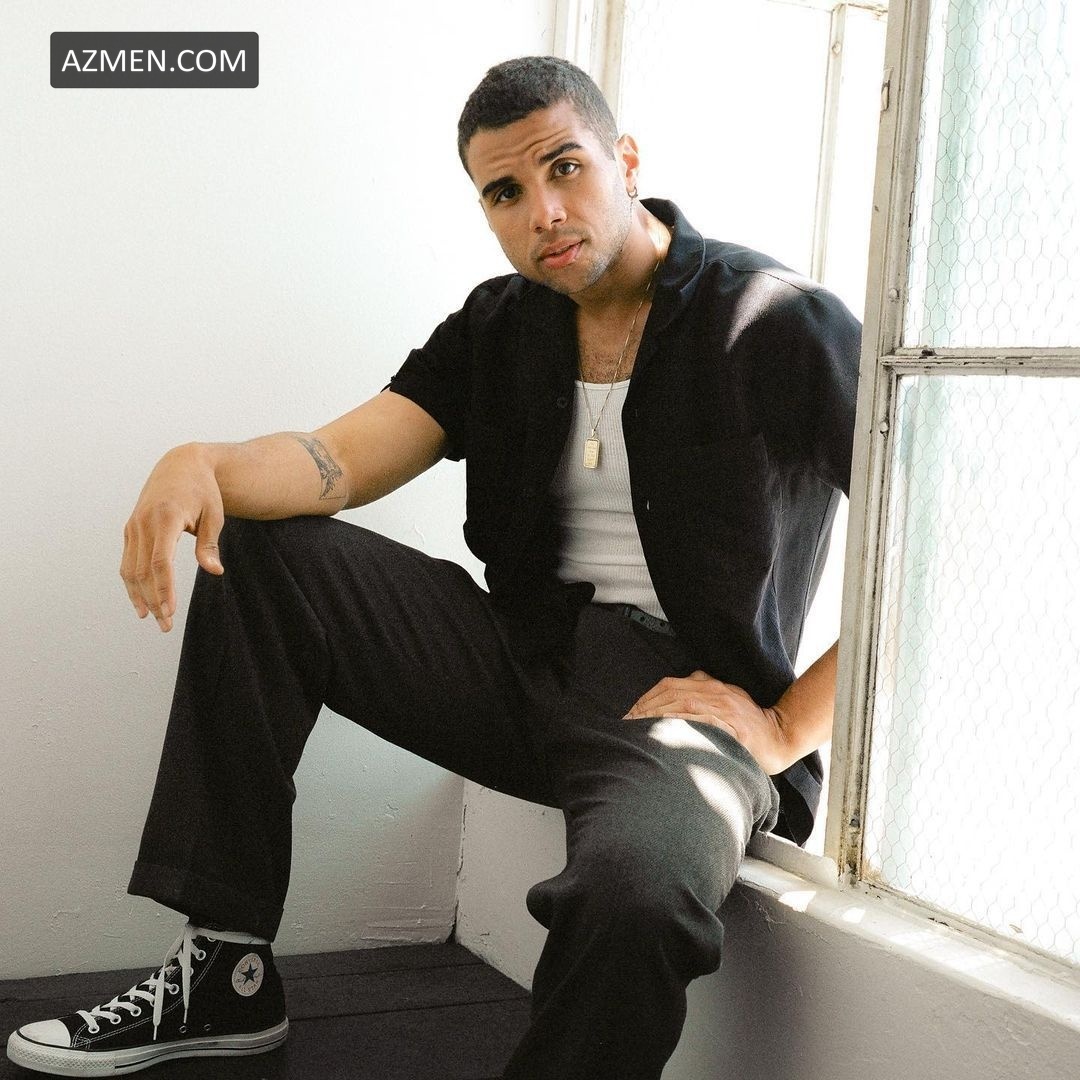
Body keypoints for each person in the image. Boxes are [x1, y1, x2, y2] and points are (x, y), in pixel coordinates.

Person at [6, 55, 860, 1080]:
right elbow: (337, 461)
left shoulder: (775, 319)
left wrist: (785, 726)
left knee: (634, 894)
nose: (544, 212)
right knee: (264, 553)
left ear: (626, 161)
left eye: (566, 168)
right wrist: (202, 463)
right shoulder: (498, 327)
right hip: (520, 662)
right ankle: (225, 972)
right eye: (505, 192)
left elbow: (915, 568)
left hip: (676, 705)